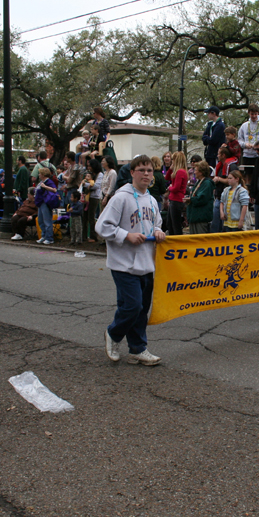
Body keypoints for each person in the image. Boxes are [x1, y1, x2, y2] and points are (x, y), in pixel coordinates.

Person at [95, 155, 166, 365]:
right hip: (123, 263)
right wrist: (126, 235)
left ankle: (137, 348)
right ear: (132, 172)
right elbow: (102, 226)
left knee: (142, 310)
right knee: (132, 306)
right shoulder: (120, 198)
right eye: (142, 170)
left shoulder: (152, 200)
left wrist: (158, 231)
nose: (146, 174)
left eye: (150, 170)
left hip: (146, 263)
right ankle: (113, 334)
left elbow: (156, 222)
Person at [211, 146, 240, 233]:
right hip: (219, 196)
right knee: (215, 224)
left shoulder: (231, 166)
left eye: (219, 154)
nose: (217, 155)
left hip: (228, 200)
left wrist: (219, 179)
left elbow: (231, 181)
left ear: (223, 155)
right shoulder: (220, 166)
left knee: (224, 225)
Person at [238, 104, 259, 172]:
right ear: (249, 113)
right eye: (252, 114)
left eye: (255, 114)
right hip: (247, 155)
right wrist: (245, 145)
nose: (254, 116)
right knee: (248, 174)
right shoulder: (244, 125)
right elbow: (239, 140)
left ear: (258, 113)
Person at [186, 161, 214, 234]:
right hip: (195, 216)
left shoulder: (207, 183)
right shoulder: (199, 182)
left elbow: (202, 198)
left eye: (196, 170)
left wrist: (191, 199)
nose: (194, 172)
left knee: (200, 239)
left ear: (201, 172)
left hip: (201, 217)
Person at [34, 167, 59, 245]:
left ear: (43, 174)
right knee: (41, 220)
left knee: (47, 220)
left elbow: (54, 190)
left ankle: (49, 238)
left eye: (40, 173)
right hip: (40, 203)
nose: (39, 175)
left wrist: (45, 187)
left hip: (45, 202)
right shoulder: (41, 182)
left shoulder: (49, 182)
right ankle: (44, 236)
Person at [167, 151, 188, 236]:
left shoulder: (180, 172)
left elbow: (176, 188)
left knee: (175, 225)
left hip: (176, 200)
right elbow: (167, 177)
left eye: (173, 159)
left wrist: (169, 188)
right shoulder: (178, 171)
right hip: (173, 199)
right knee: (170, 223)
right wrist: (171, 168)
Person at [83, 159, 104, 243]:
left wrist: (86, 184)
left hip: (94, 197)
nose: (89, 168)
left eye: (90, 166)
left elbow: (96, 186)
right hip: (87, 197)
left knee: (91, 217)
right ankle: (84, 235)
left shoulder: (100, 175)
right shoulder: (89, 174)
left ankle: (93, 236)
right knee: (85, 216)